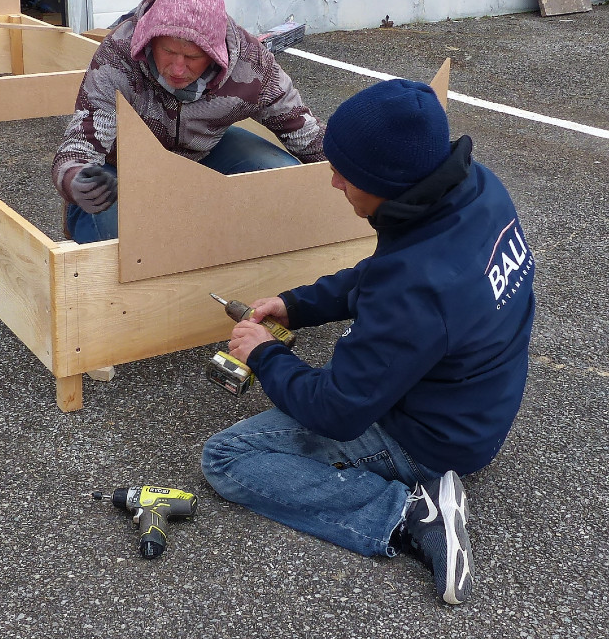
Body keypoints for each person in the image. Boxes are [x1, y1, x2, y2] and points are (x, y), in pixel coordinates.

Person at [201, 78, 535, 605]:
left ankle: (410, 515)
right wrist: (296, 305)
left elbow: (336, 412)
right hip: (478, 407)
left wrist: (265, 355)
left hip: (434, 439)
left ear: (387, 182)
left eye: (346, 174)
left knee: (227, 458)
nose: (335, 182)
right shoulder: (474, 190)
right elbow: (385, 272)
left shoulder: (418, 288)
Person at [51, 0, 327, 243]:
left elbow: (302, 131)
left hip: (201, 151)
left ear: (216, 53)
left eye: (192, 57)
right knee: (120, 232)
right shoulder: (119, 54)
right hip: (121, 167)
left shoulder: (252, 64)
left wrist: (352, 173)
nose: (178, 68)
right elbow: (84, 139)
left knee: (284, 177)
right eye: (168, 51)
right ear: (150, 38)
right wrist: (75, 178)